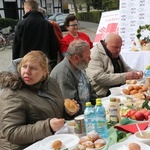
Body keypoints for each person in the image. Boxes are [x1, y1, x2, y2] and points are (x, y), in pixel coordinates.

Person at [0, 51, 79, 150]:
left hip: (50, 141)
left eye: (33, 68)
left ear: (44, 72)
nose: (27, 71)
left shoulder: (51, 83)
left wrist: (67, 112)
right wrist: (47, 126)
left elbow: (54, 112)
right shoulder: (12, 93)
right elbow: (12, 132)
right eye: (24, 67)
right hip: (22, 147)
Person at [86, 33, 143, 97]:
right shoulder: (94, 54)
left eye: (120, 47)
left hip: (117, 89)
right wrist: (124, 77)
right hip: (102, 94)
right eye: (115, 47)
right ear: (106, 44)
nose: (118, 50)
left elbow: (126, 69)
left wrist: (136, 72)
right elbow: (99, 78)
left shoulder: (114, 52)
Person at [50, 40, 97, 115]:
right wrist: (90, 110)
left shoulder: (78, 66)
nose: (90, 59)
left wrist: (98, 105)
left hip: (87, 110)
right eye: (87, 57)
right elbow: (72, 108)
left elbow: (90, 92)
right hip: (74, 117)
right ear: (76, 58)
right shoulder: (64, 74)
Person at [12, 0, 59, 70]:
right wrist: (53, 62)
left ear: (29, 9)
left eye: (24, 10)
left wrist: (15, 62)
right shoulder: (47, 24)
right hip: (43, 61)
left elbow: (16, 45)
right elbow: (53, 44)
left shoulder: (21, 24)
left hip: (26, 61)